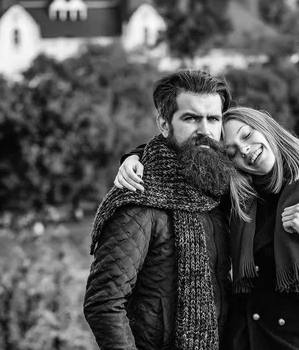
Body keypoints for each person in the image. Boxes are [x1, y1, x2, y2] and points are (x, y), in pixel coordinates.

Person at [117, 106, 299, 350]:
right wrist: (135, 157)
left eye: (248, 135)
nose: (245, 150)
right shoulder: (238, 200)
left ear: (267, 128)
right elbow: (180, 158)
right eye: (233, 151)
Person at [83, 70, 251, 350]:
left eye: (213, 119)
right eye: (191, 118)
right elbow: (104, 303)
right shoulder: (140, 196)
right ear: (164, 123)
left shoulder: (219, 185)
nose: (205, 130)